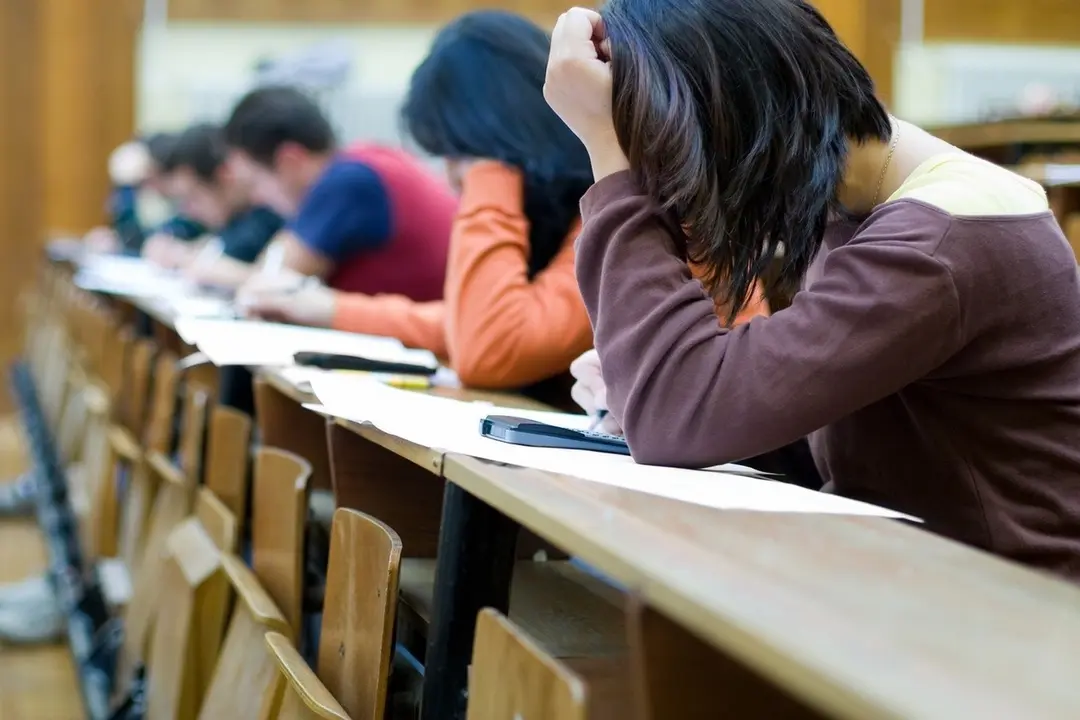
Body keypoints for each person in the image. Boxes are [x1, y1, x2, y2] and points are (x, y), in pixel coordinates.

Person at [545, 2, 1080, 581]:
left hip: (1006, 617)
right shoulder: (864, 208)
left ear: (734, 120)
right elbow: (865, 443)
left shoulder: (940, 236)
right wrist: (663, 387)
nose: (674, 193)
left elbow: (678, 412)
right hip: (917, 591)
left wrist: (607, 149)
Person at [240, 11, 769, 401]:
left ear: (489, 139)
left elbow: (490, 348)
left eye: (454, 152)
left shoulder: (632, 197)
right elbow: (479, 323)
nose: (451, 175)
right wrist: (327, 309)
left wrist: (490, 170)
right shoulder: (580, 200)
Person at [223, 85, 455, 297]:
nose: (256, 198)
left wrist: (201, 268)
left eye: (255, 182)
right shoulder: (367, 160)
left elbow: (268, 282)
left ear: (290, 161)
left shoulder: (345, 183)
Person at [143, 122, 284, 286]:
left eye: (194, 197)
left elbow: (266, 280)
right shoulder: (232, 218)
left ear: (225, 175)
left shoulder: (267, 217)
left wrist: (189, 259)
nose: (189, 210)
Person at [84, 133, 207, 255]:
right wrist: (117, 241)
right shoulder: (141, 199)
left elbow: (179, 235)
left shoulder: (189, 200)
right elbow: (141, 239)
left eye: (145, 181)